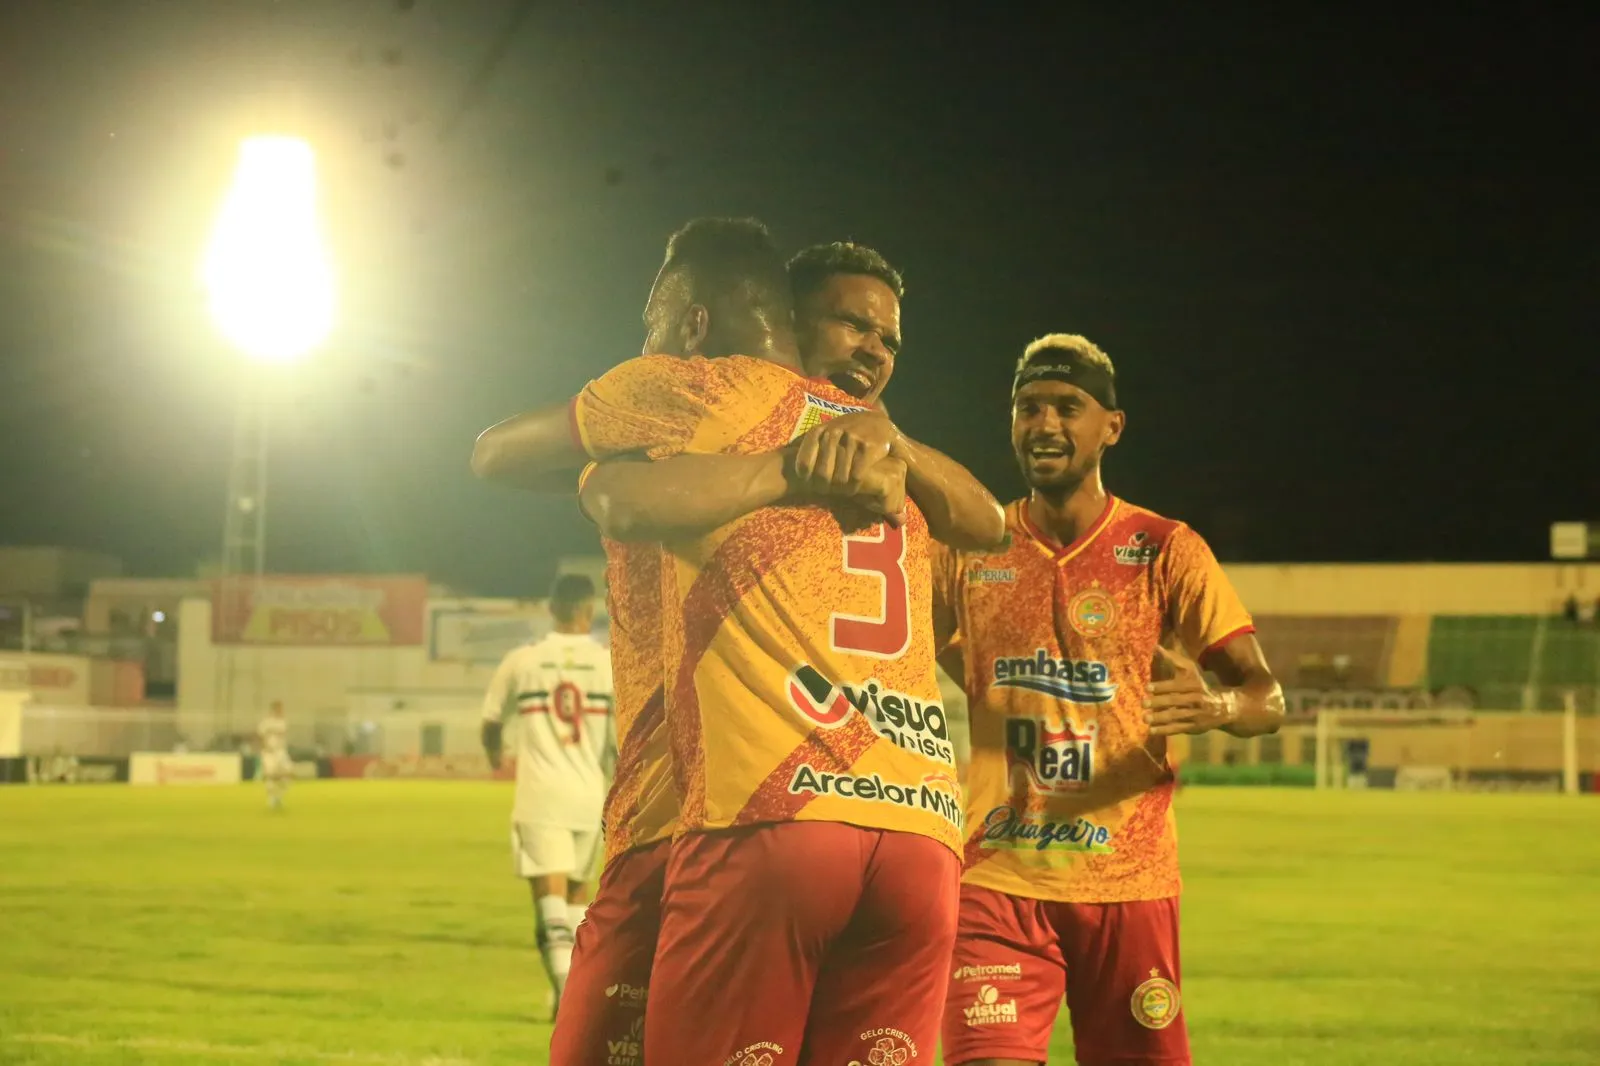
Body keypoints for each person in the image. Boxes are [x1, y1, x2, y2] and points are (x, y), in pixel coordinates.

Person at [472, 217, 1004, 1064]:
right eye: (852, 326)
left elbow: (498, 456)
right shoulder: (901, 469)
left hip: (728, 808)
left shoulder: (702, 388)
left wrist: (595, 477)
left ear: (692, 327)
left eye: (886, 337)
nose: (871, 350)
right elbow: (987, 527)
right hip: (915, 826)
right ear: (790, 323)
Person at [932, 334, 1284, 1066]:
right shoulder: (971, 548)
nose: (1045, 424)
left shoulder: (1165, 548)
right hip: (996, 874)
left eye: (1068, 406)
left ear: (1111, 426)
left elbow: (1264, 695)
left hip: (1130, 880)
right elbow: (901, 651)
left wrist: (1218, 709)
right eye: (1029, 407)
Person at [482, 574, 615, 1022]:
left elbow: (491, 719)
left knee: (550, 902)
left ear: (550, 609)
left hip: (542, 795)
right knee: (579, 902)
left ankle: (565, 995)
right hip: (591, 795)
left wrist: (494, 752)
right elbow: (623, 738)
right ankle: (574, 993)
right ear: (588, 610)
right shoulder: (608, 663)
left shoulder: (523, 660)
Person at [257, 701, 290, 811]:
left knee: (287, 775)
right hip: (269, 752)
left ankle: (278, 796)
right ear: (274, 709)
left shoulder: (282, 722)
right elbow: (260, 736)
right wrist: (264, 748)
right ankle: (271, 798)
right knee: (270, 774)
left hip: (281, 752)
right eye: (279, 708)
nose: (281, 710)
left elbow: (283, 737)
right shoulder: (266, 722)